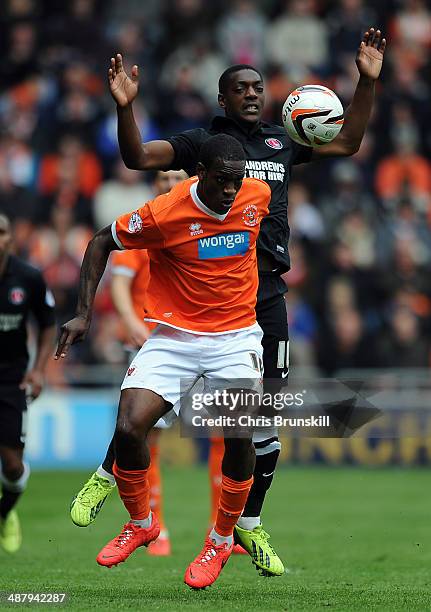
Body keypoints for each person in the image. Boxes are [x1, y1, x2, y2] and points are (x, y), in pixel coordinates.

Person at [75, 27, 386, 576]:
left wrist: (365, 83)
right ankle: (118, 480)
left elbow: (349, 142)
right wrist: (127, 108)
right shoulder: (202, 143)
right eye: (240, 87)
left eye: (257, 86)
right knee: (152, 417)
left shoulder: (282, 140)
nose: (251, 94)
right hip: (204, 295)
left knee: (258, 425)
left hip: (264, 299)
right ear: (222, 98)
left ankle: (244, 526)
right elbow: (138, 156)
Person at [55, 134, 271, 589]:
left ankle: (220, 538)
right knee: (130, 427)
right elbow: (99, 242)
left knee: (238, 437)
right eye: (222, 182)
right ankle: (141, 522)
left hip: (235, 338)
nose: (232, 191)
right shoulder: (164, 213)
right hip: (174, 337)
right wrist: (83, 314)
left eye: (237, 181)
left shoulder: (258, 193)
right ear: (202, 175)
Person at [70, 170, 187, 559]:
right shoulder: (147, 224)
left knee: (228, 437)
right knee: (140, 432)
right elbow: (119, 283)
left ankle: (227, 532)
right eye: (162, 178)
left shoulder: (200, 221)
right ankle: (155, 525)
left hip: (201, 338)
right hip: (151, 342)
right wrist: (133, 324)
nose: (168, 184)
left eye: (177, 177)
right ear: (152, 185)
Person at [0, 214, 56, 553]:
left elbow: (48, 323)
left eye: (1, 231)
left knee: (13, 465)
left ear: (10, 239)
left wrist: (38, 371)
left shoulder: (29, 278)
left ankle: (6, 514)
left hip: (11, 377)